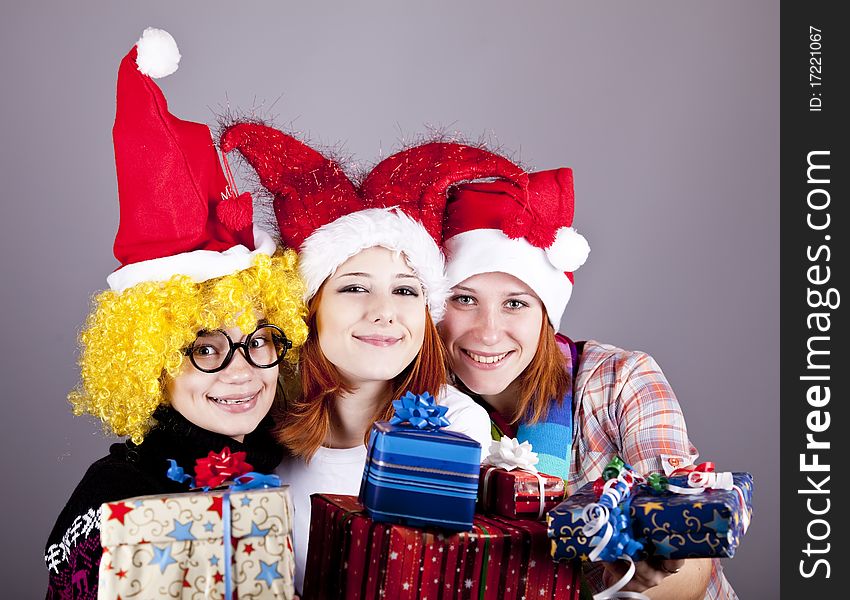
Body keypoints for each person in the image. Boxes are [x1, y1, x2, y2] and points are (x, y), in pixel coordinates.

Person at [44, 29, 307, 599]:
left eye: (259, 340)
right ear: (148, 363)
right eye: (206, 349)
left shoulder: (296, 463)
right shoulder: (111, 500)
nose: (242, 371)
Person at [433, 153, 736, 599]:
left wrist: (638, 567)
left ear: (546, 315)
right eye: (463, 300)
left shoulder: (620, 381)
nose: (488, 331)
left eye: (515, 303)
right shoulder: (423, 405)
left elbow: (691, 563)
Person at [220, 128, 497, 593]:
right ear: (310, 310)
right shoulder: (255, 421)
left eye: (406, 290)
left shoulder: (457, 429)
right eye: (353, 287)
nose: (384, 311)